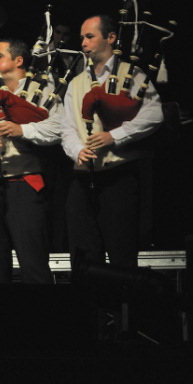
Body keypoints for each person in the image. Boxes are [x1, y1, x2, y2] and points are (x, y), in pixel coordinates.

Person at [61, 14, 163, 272]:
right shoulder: (76, 83)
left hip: (118, 175)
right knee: (84, 255)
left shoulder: (132, 74)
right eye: (81, 37)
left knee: (122, 251)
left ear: (111, 38)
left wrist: (114, 136)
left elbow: (154, 114)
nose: (83, 43)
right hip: (83, 176)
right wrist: (77, 150)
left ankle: (124, 300)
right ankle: (89, 299)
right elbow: (68, 128)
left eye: (89, 36)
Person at [0, 39, 60, 285]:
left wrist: (23, 130)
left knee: (33, 263)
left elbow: (60, 128)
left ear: (19, 60)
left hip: (25, 185)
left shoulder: (44, 93)